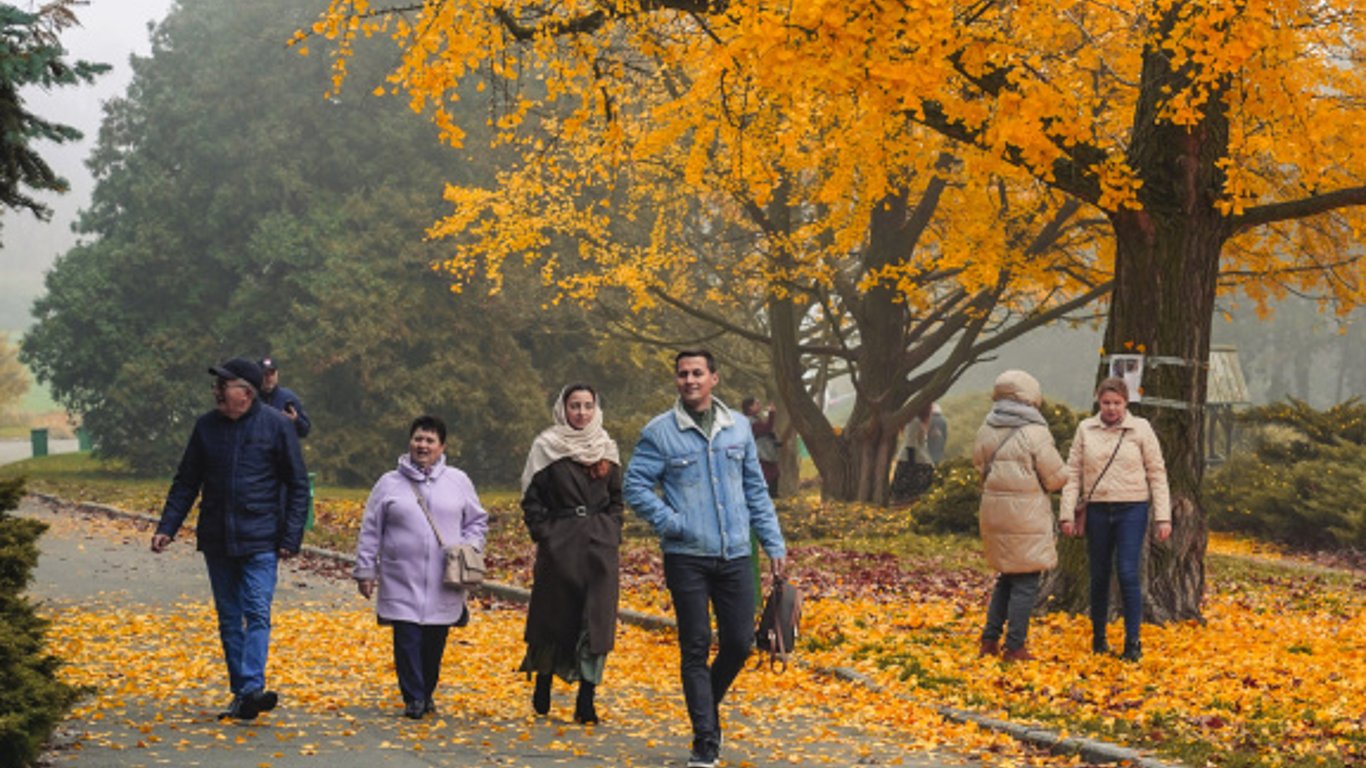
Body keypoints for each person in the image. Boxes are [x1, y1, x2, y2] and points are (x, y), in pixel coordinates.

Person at [624, 350, 787, 768]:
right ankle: (705, 742)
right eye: (683, 374)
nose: (690, 380)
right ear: (676, 381)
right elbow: (635, 485)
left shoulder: (738, 428)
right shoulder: (659, 433)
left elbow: (755, 490)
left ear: (714, 378)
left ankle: (704, 708)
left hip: (735, 553)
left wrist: (774, 544)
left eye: (698, 373)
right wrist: (671, 522)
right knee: (695, 645)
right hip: (686, 557)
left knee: (738, 642)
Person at [151, 357, 309, 721]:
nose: (216, 392)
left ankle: (251, 686)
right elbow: (187, 480)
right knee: (228, 619)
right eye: (217, 385)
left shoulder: (275, 427)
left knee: (256, 612)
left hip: (261, 539)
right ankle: (245, 694)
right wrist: (167, 527)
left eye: (224, 385)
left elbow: (297, 485)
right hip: (217, 538)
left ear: (247, 393)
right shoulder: (205, 427)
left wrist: (291, 536)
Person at [353, 415, 488, 719]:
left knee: (434, 642)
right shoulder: (389, 484)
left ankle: (426, 692)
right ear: (409, 442)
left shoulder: (458, 481)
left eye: (430, 440)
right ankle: (413, 696)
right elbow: (371, 529)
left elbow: (477, 521)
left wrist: (471, 547)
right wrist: (365, 570)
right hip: (401, 575)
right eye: (418, 439)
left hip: (445, 578)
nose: (422, 445)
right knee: (407, 638)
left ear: (442, 447)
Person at [518, 384, 622, 724]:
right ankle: (544, 680)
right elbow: (532, 498)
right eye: (575, 406)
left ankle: (586, 698)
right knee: (555, 617)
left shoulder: (606, 448)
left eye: (587, 406)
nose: (581, 413)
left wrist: (611, 530)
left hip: (599, 547)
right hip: (560, 544)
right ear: (564, 409)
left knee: (596, 622)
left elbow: (617, 498)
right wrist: (546, 534)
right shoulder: (547, 446)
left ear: (596, 408)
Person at [1059, 377, 1172, 662]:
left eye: (1117, 403)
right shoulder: (1085, 429)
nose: (1111, 409)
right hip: (1097, 508)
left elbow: (1157, 473)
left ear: (1126, 403)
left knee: (1127, 572)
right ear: (1099, 401)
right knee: (1098, 574)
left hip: (1132, 507)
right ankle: (1099, 638)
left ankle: (1132, 642)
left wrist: (1163, 517)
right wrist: (1066, 514)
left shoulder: (1141, 429)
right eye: (1106, 403)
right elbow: (1072, 473)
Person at [972, 371, 1069, 661]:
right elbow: (1055, 478)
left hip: (994, 511)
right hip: (1024, 515)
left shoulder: (986, 427)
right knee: (1026, 581)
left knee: (1006, 577)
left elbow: (979, 466)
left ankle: (989, 640)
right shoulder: (1035, 432)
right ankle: (1015, 646)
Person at [890, 402, 935, 503]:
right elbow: (911, 444)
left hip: (914, 459)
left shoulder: (915, 421)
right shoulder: (914, 422)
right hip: (912, 460)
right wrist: (911, 466)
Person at [258, 356, 311, 438]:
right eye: (265, 374)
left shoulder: (289, 398)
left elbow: (305, 431)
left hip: (283, 449)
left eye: (272, 373)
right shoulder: (250, 398)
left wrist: (295, 420)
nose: (269, 377)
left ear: (277, 374)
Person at [741, 397, 781, 497]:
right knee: (768, 475)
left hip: (765, 453)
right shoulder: (750, 421)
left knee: (773, 473)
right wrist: (771, 414)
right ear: (750, 407)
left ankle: (772, 495)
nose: (760, 405)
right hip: (761, 454)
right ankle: (770, 496)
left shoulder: (755, 419)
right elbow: (765, 429)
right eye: (756, 404)